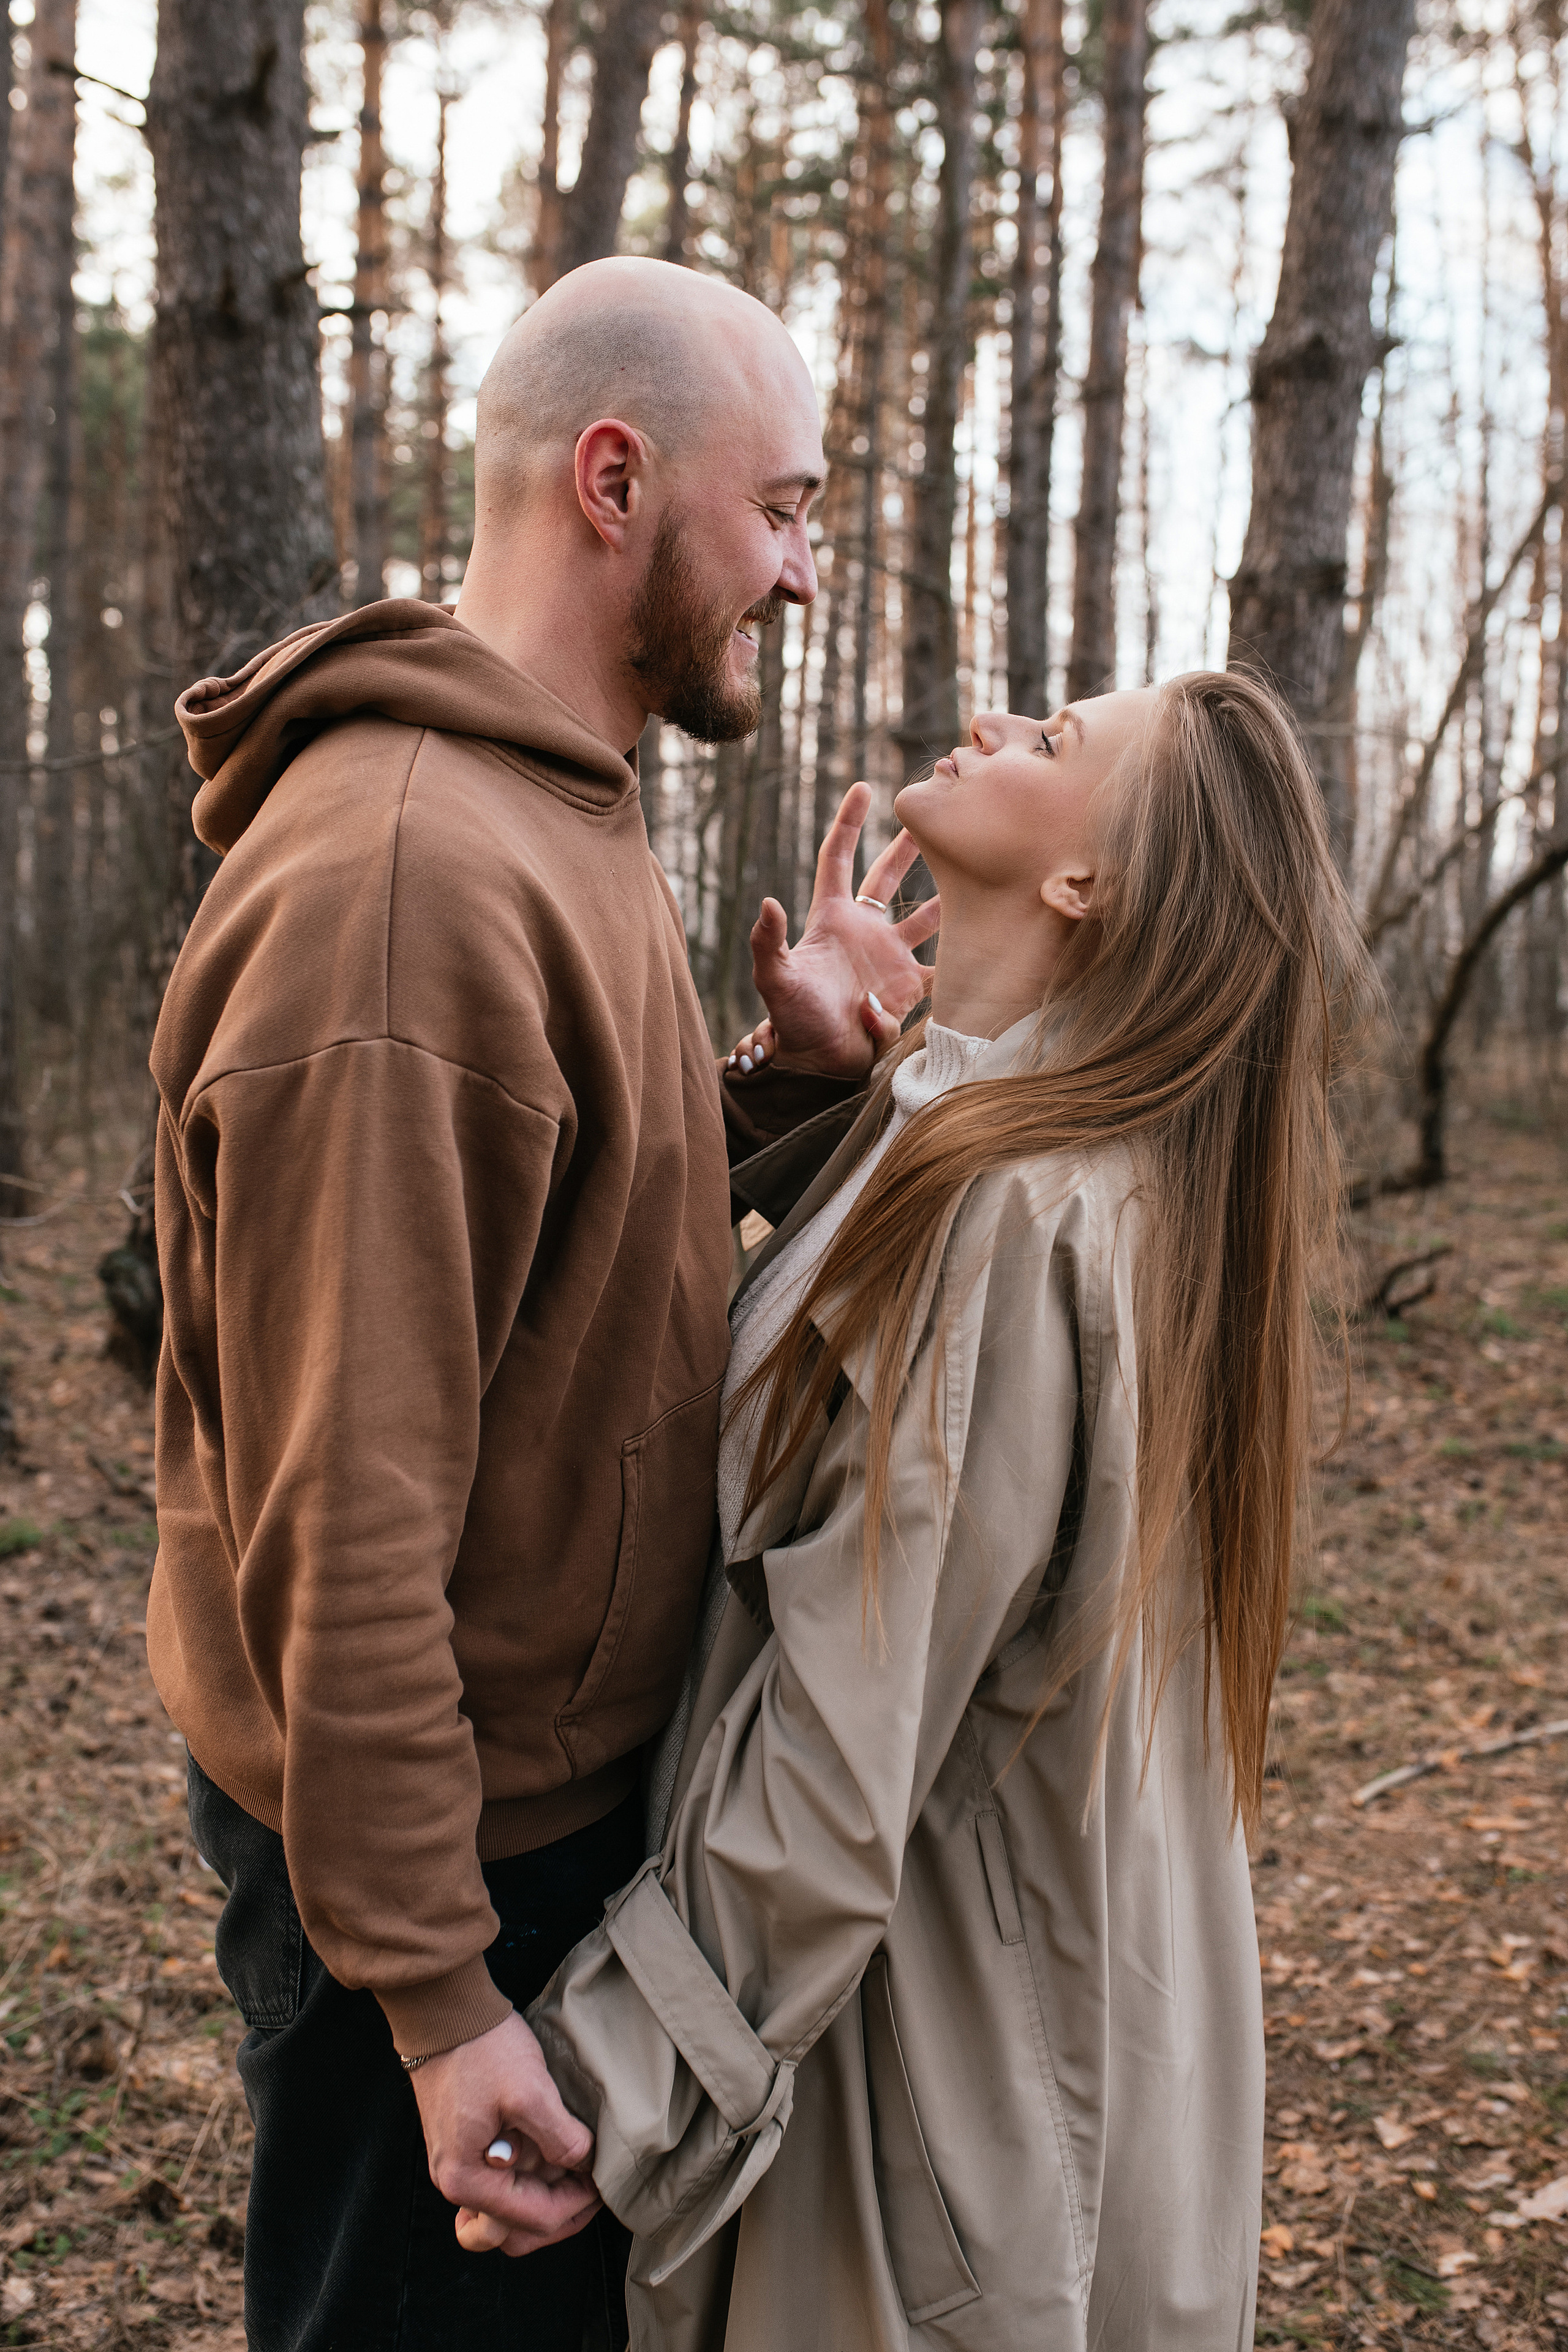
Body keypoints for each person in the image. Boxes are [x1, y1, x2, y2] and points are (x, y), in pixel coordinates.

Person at [146, 255, 938, 2351]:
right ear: (616, 478)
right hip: (434, 1869)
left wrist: (783, 1093)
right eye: (783, 508)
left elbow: (562, 1269)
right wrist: (434, 2001)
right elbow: (351, 1509)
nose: (800, 571)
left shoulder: (558, 803)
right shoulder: (407, 890)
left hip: (531, 1821)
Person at [483, 669, 1373, 2348]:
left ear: (1087, 885)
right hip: (1024, 2019)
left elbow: (842, 1739)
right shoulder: (1011, 1146)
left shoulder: (1013, 1218)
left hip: (935, 2083)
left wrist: (614, 2078)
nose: (999, 718)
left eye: (1058, 744)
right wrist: (820, 1077)